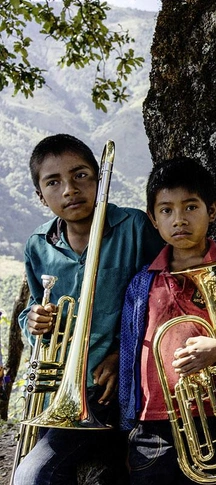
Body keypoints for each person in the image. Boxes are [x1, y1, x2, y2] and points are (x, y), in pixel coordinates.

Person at [15, 134, 165, 484]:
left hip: (117, 388)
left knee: (35, 476)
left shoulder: (135, 227)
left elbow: (164, 299)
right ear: (40, 196)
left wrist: (119, 354)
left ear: (99, 179)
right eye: (54, 182)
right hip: (62, 392)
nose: (70, 189)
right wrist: (33, 320)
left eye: (80, 175)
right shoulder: (38, 246)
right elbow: (36, 307)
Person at [118, 157, 216, 484]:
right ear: (153, 218)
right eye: (166, 211)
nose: (179, 219)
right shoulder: (141, 283)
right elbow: (128, 355)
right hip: (152, 428)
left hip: (215, 421)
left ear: (212, 210)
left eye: (191, 207)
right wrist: (126, 425)